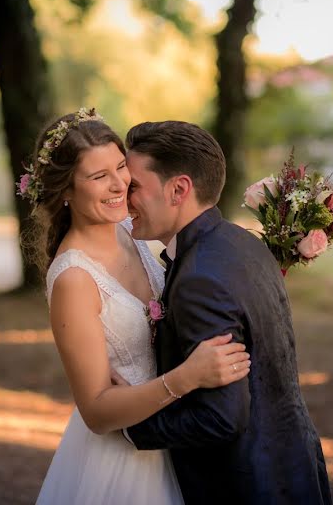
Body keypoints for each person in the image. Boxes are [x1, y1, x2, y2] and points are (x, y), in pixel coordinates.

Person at [21, 109, 251, 505]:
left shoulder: (133, 229)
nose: (119, 185)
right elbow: (95, 412)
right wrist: (185, 378)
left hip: (179, 438)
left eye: (121, 167)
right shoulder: (74, 278)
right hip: (124, 461)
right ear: (65, 192)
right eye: (98, 177)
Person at [122, 121, 332, 504]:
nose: (123, 197)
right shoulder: (243, 243)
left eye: (134, 185)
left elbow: (221, 418)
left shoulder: (200, 277)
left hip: (247, 488)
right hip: (294, 469)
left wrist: (130, 426)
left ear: (179, 189)